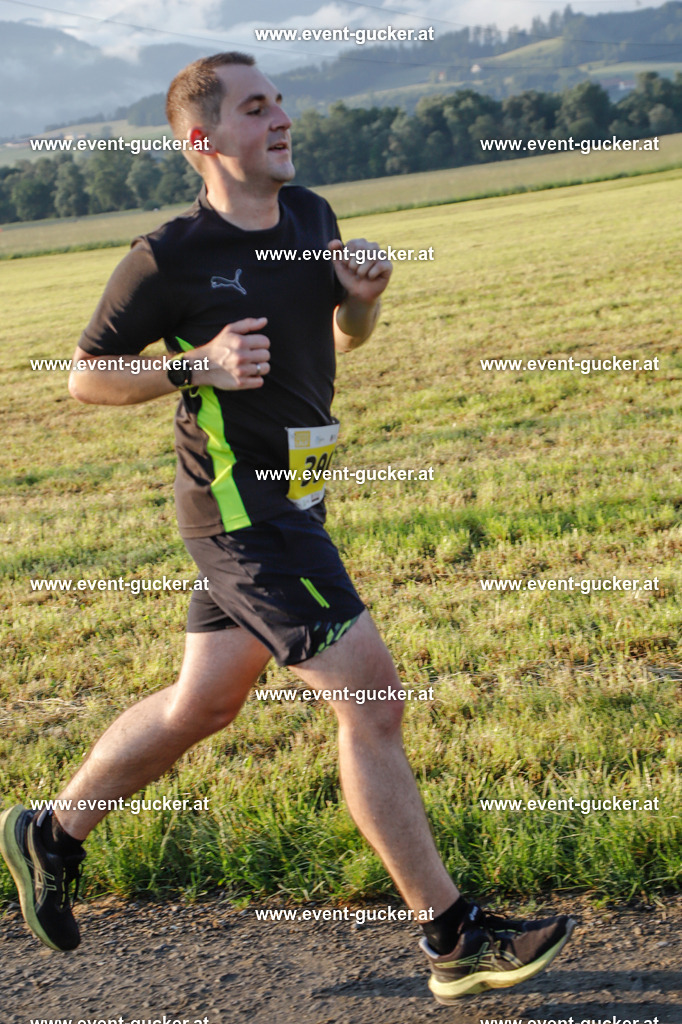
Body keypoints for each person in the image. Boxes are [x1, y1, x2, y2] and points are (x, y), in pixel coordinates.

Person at [0, 52, 575, 1004]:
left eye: (280, 101)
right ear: (203, 140)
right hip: (242, 515)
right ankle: (452, 937)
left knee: (203, 706)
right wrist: (200, 367)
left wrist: (362, 303)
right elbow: (85, 376)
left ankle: (49, 835)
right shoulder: (169, 256)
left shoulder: (310, 214)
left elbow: (345, 341)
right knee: (371, 697)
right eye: (257, 106)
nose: (282, 117)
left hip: (296, 500)